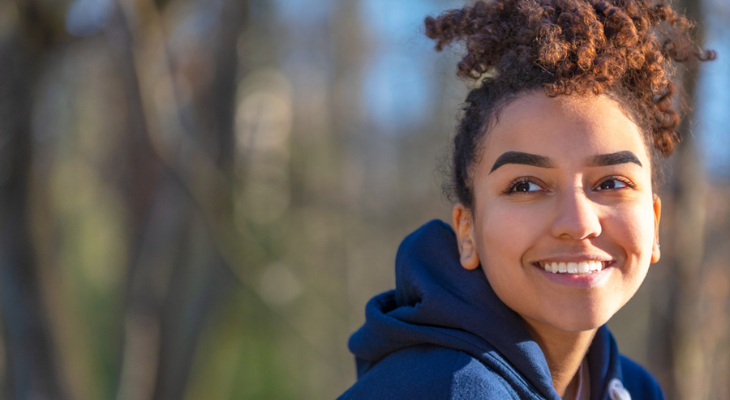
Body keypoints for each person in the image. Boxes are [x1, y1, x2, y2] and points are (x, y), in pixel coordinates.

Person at [338, 1, 715, 399]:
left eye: (610, 183)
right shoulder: (445, 388)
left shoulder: (634, 388)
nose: (577, 222)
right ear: (467, 232)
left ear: (654, 223)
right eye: (526, 186)